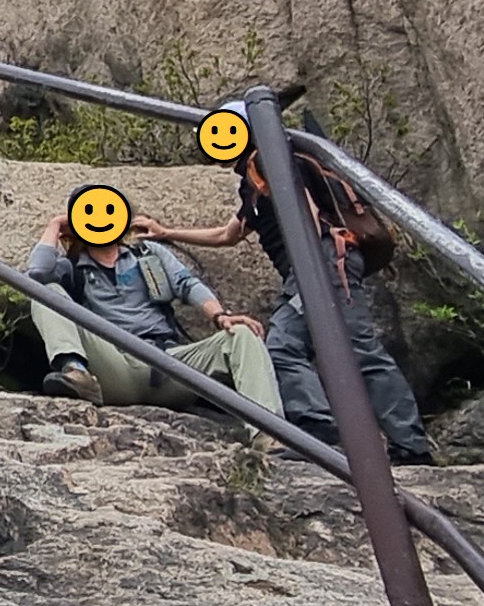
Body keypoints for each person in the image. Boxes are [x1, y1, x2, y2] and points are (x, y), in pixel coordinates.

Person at [163, 140, 435, 463]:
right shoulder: (252, 181)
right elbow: (228, 235)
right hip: (318, 265)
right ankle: (386, 441)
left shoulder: (267, 159)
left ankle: (335, 434)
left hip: (321, 262)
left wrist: (313, 266)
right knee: (313, 348)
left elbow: (305, 209)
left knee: (304, 347)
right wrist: (166, 232)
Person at [23, 203, 272, 413]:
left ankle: (269, 435)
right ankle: (76, 372)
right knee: (46, 293)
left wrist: (220, 316)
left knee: (242, 334)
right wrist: (55, 225)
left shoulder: (148, 253)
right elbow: (37, 274)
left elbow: (187, 284)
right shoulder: (72, 266)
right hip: (116, 366)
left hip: (168, 363)